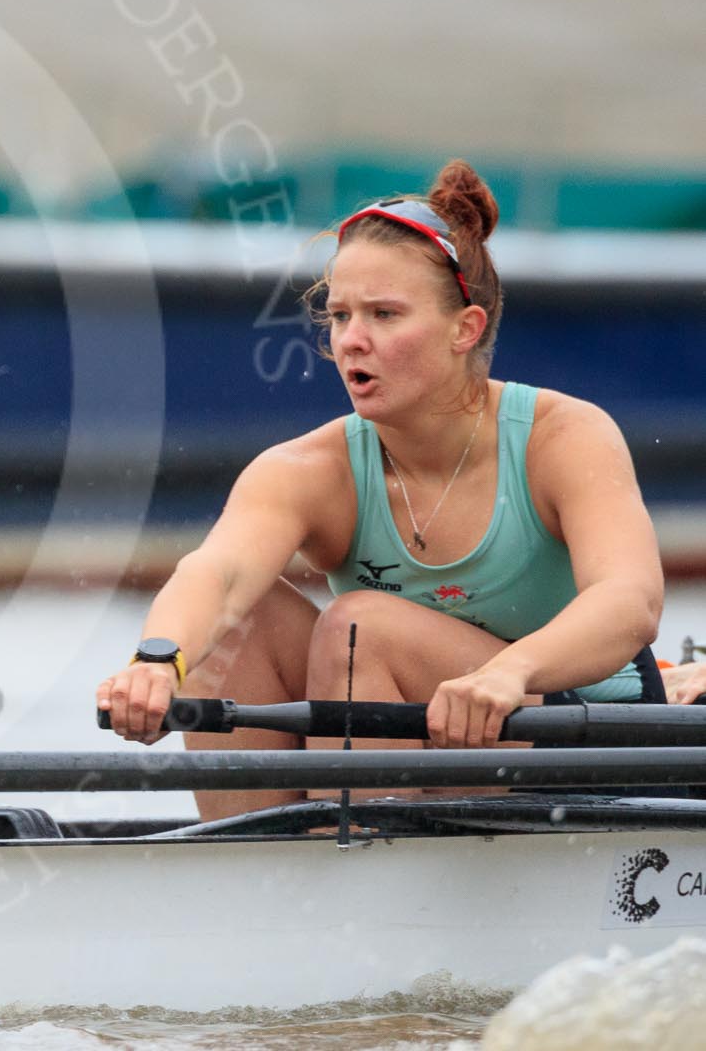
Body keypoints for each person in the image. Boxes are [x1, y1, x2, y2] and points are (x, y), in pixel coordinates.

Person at [97, 160, 664, 820]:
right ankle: (255, 869)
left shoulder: (562, 436)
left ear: (465, 330)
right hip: (443, 740)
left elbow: (630, 603)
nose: (351, 341)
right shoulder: (308, 468)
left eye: (384, 314)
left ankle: (360, 857)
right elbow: (219, 575)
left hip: (593, 738)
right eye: (339, 316)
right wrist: (157, 664)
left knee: (360, 626)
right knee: (238, 618)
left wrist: (512, 672)